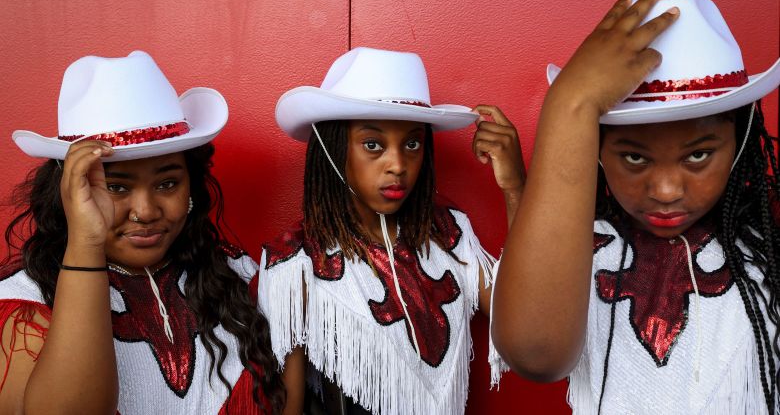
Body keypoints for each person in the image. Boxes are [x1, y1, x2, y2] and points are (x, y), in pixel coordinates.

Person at [486, 0, 780, 413]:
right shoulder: (585, 249)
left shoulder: (766, 243)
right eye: (634, 157)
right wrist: (571, 105)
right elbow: (536, 354)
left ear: (739, 142)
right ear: (597, 152)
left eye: (698, 155)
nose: (665, 192)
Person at [0, 50, 285, 414]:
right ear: (69, 191)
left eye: (167, 183)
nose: (147, 211)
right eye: (116, 187)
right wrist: (85, 243)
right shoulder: (23, 302)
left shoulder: (240, 278)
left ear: (192, 188)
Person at [259, 47, 524, 414]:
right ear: (334, 149)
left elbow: (528, 326)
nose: (398, 165)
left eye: (412, 143)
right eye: (373, 145)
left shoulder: (449, 234)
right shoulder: (297, 264)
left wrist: (514, 188)